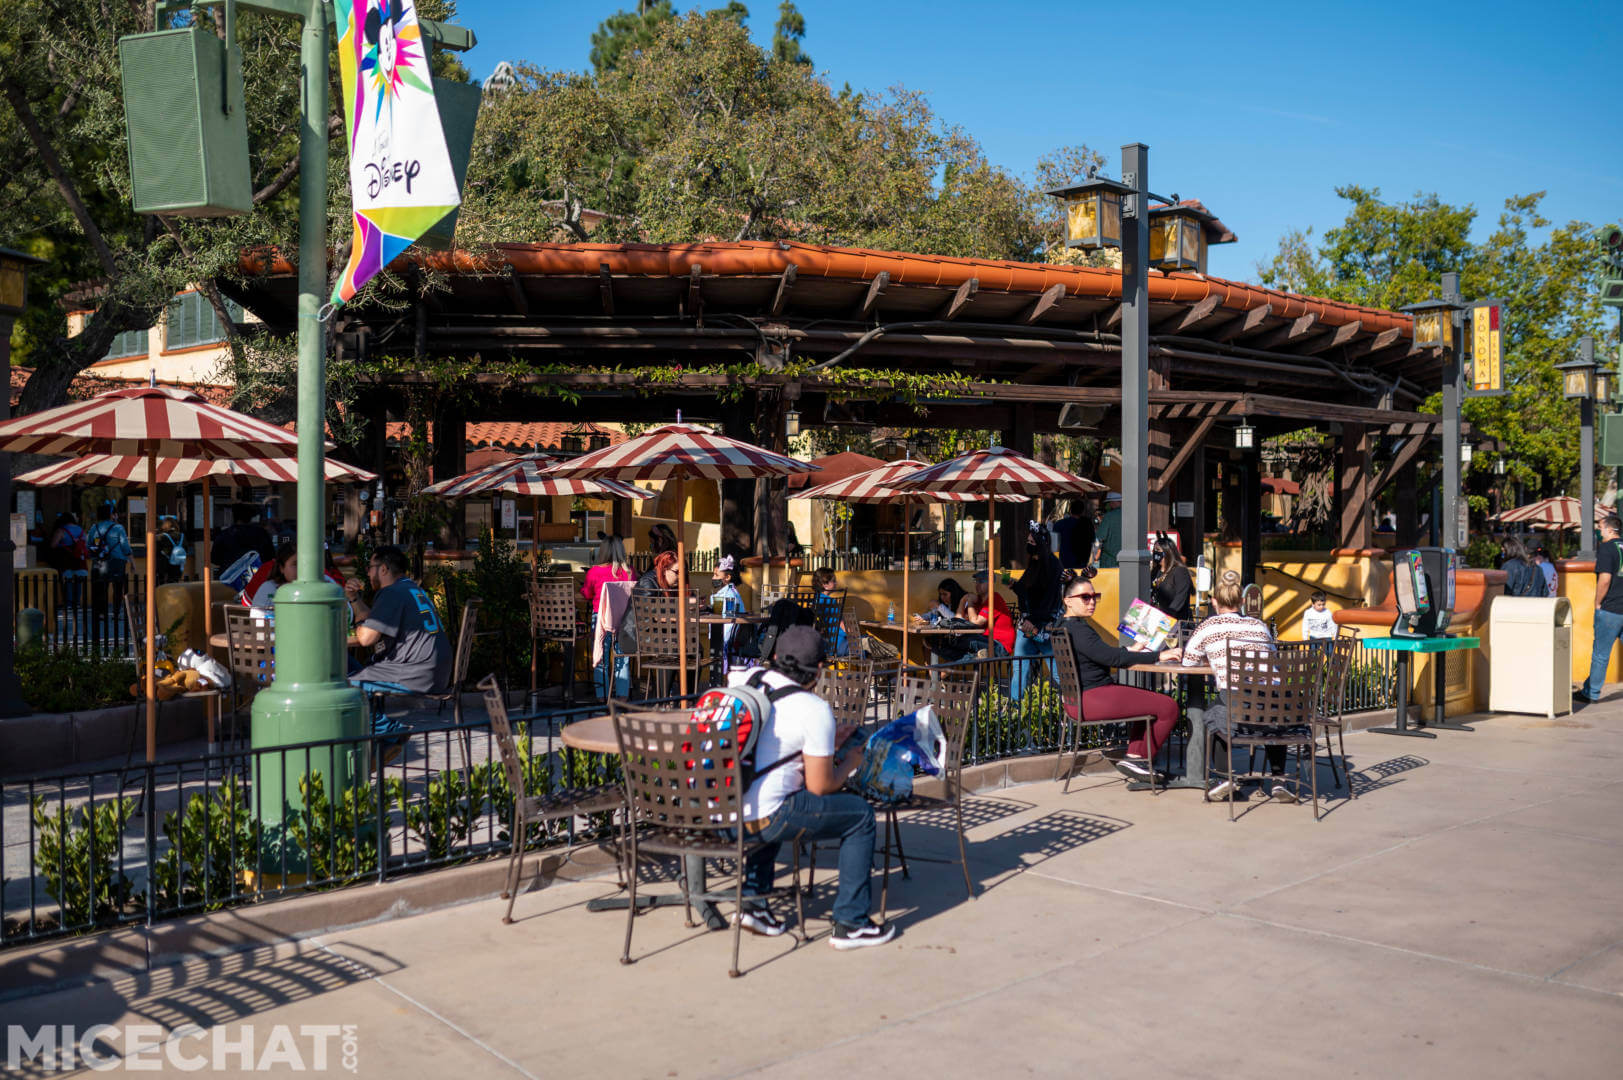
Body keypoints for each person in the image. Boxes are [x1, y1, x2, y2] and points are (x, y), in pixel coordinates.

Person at [733, 625, 894, 948]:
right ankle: (852, 922)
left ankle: (753, 902)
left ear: (776, 657)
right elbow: (821, 787)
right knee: (860, 816)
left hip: (723, 810)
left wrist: (824, 744)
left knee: (777, 794)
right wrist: (850, 763)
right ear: (820, 669)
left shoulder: (745, 681)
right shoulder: (813, 708)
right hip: (766, 817)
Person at [1054, 572, 1182, 781]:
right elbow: (1111, 658)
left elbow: (1101, 654)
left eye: (1095, 597)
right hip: (1094, 697)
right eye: (1085, 598)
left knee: (1148, 704)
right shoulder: (1080, 630)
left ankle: (1135, 758)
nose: (1092, 602)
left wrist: (1130, 649)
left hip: (1077, 701)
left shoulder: (1063, 627)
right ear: (1068, 601)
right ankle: (1139, 759)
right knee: (1168, 707)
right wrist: (1160, 654)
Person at [1183, 570, 1288, 800]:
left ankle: (1223, 777)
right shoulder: (1259, 626)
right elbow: (1272, 656)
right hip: (1275, 704)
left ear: (1214, 602)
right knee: (1272, 719)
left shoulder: (1208, 627)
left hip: (1238, 699)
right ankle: (1279, 778)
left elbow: (1188, 661)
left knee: (1215, 714)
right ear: (1241, 602)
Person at [346, 545, 452, 695]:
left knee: (341, 691)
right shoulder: (410, 588)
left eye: (370, 567)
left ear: (383, 569)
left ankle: (390, 720)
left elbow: (366, 638)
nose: (368, 573)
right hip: (432, 673)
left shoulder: (391, 593)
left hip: (411, 676)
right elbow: (372, 622)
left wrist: (359, 625)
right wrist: (354, 597)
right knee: (344, 663)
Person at [1011, 521, 1063, 701]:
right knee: (1019, 669)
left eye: (1032, 542)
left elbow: (1051, 598)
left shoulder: (1053, 566)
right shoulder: (1033, 564)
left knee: (1058, 672)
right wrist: (1013, 585)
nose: (1028, 545)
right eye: (1028, 541)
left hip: (1044, 627)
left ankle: (1070, 709)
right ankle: (1015, 712)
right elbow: (1026, 590)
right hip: (1026, 626)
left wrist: (1033, 618)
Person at [583, 534, 636, 698]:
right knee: (623, 660)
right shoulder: (630, 572)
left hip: (602, 620)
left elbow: (587, 594)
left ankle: (602, 697)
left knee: (601, 660)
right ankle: (622, 697)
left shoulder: (594, 572)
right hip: (625, 622)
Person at [1579, 514, 1623, 703]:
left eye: (1600, 527)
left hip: (1611, 608)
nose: (1599, 530)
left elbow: (1605, 579)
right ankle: (1589, 688)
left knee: (1600, 654)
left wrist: (1598, 602)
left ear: (1610, 529)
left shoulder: (1606, 548)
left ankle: (1591, 693)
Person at [87, 503, 131, 633]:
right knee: (118, 589)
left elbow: (89, 545)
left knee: (101, 588)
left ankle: (102, 613)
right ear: (112, 514)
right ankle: (116, 613)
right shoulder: (118, 528)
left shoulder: (94, 527)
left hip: (100, 562)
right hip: (117, 561)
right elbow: (125, 546)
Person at [961, 569, 1015, 658]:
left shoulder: (994, 599)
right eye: (976, 581)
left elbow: (976, 622)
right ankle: (944, 670)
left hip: (999, 645)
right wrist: (963, 600)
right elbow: (961, 619)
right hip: (985, 641)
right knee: (951, 644)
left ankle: (944, 670)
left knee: (966, 642)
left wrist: (969, 601)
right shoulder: (979, 600)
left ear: (990, 583)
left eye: (981, 581)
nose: (977, 585)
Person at [212, 503, 275, 573]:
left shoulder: (224, 535)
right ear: (250, 517)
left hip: (231, 577)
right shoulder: (261, 533)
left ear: (233, 516)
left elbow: (215, 559)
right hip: (256, 576)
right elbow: (270, 556)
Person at [47, 512, 89, 612]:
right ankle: (77, 603)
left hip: (66, 559)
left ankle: (69, 603)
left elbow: (53, 545)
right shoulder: (80, 530)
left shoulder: (61, 530)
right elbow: (86, 544)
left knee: (68, 581)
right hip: (79, 559)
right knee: (78, 581)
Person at [710, 554, 746, 668]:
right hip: (724, 637)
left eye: (716, 575)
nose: (713, 578)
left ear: (727, 577)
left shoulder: (729, 595)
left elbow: (728, 620)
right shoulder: (727, 592)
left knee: (722, 665)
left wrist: (724, 641)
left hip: (726, 638)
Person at [1148, 536, 1192, 621]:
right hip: (1155, 619)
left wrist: (1164, 618)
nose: (1155, 553)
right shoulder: (1155, 571)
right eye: (1154, 550)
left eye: (1158, 550)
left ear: (1167, 552)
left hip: (1174, 623)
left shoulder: (1180, 572)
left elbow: (1180, 598)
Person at [812, 566, 848, 656]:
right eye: (834, 580)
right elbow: (842, 625)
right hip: (840, 645)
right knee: (871, 643)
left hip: (823, 647)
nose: (836, 583)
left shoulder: (814, 600)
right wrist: (854, 636)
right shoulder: (830, 601)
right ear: (825, 584)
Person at [1051, 501, 1090, 571]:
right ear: (1083, 511)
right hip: (1081, 561)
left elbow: (1054, 545)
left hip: (1064, 560)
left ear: (1070, 510)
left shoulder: (1059, 524)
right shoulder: (1087, 525)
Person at [1093, 492, 1122, 569]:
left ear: (1114, 502)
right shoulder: (1130, 515)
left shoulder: (1108, 516)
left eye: (1109, 503)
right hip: (1127, 561)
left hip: (1109, 561)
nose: (1108, 505)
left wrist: (1094, 558)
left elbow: (1099, 538)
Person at [155, 516, 186, 586]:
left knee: (162, 586)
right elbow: (185, 549)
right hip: (177, 565)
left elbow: (155, 551)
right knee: (174, 585)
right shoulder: (182, 536)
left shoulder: (161, 537)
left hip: (163, 566)